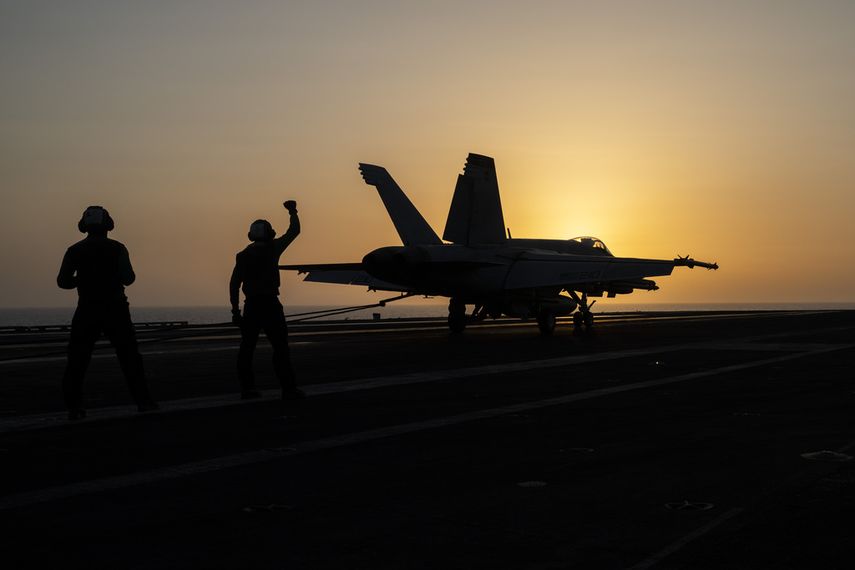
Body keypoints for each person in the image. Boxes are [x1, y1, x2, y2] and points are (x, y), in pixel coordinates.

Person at [57, 206, 157, 420]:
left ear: (84, 227)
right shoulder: (118, 248)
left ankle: (74, 407)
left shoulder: (74, 250)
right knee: (130, 358)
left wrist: (82, 280)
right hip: (116, 310)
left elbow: (63, 281)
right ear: (108, 225)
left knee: (77, 360)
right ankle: (144, 401)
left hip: (86, 309)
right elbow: (129, 278)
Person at [230, 200, 304, 400]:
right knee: (280, 347)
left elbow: (234, 284)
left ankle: (247, 388)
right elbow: (294, 231)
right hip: (270, 304)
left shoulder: (242, 255)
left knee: (247, 348)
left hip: (252, 306)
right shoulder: (273, 248)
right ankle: (288, 388)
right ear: (269, 233)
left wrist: (235, 311)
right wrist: (292, 211)